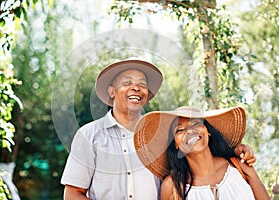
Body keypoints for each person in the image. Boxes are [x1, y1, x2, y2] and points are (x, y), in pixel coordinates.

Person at [61, 59, 257, 200]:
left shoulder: (161, 136)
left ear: (148, 94)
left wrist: (237, 150)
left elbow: (197, 156)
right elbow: (72, 194)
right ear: (111, 92)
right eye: (127, 83)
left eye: (142, 85)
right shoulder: (89, 135)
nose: (136, 88)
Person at [134, 106, 270, 200]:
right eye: (179, 130)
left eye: (195, 124)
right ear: (175, 144)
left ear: (208, 131)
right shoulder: (172, 186)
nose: (190, 131)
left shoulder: (239, 166)